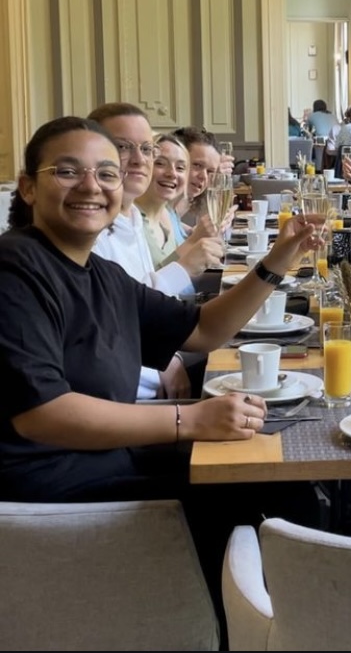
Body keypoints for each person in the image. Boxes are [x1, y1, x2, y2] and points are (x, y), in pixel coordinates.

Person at [0, 116, 324, 633]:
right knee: (262, 498)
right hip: (48, 491)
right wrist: (188, 420)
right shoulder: (16, 268)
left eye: (106, 174)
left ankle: (281, 627)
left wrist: (279, 258)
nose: (91, 186)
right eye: (68, 171)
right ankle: (240, 631)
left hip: (104, 459)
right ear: (28, 187)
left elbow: (203, 330)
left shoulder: (102, 275)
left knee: (282, 476)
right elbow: (42, 414)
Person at [89, 103, 224, 400]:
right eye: (122, 147)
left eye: (146, 149)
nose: (139, 159)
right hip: (136, 402)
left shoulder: (132, 221)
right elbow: (113, 324)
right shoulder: (89, 233)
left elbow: (143, 307)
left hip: (155, 372)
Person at [135, 133, 191, 269]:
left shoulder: (166, 215)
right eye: (160, 163)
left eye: (180, 168)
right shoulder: (130, 219)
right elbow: (145, 281)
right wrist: (193, 244)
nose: (172, 173)